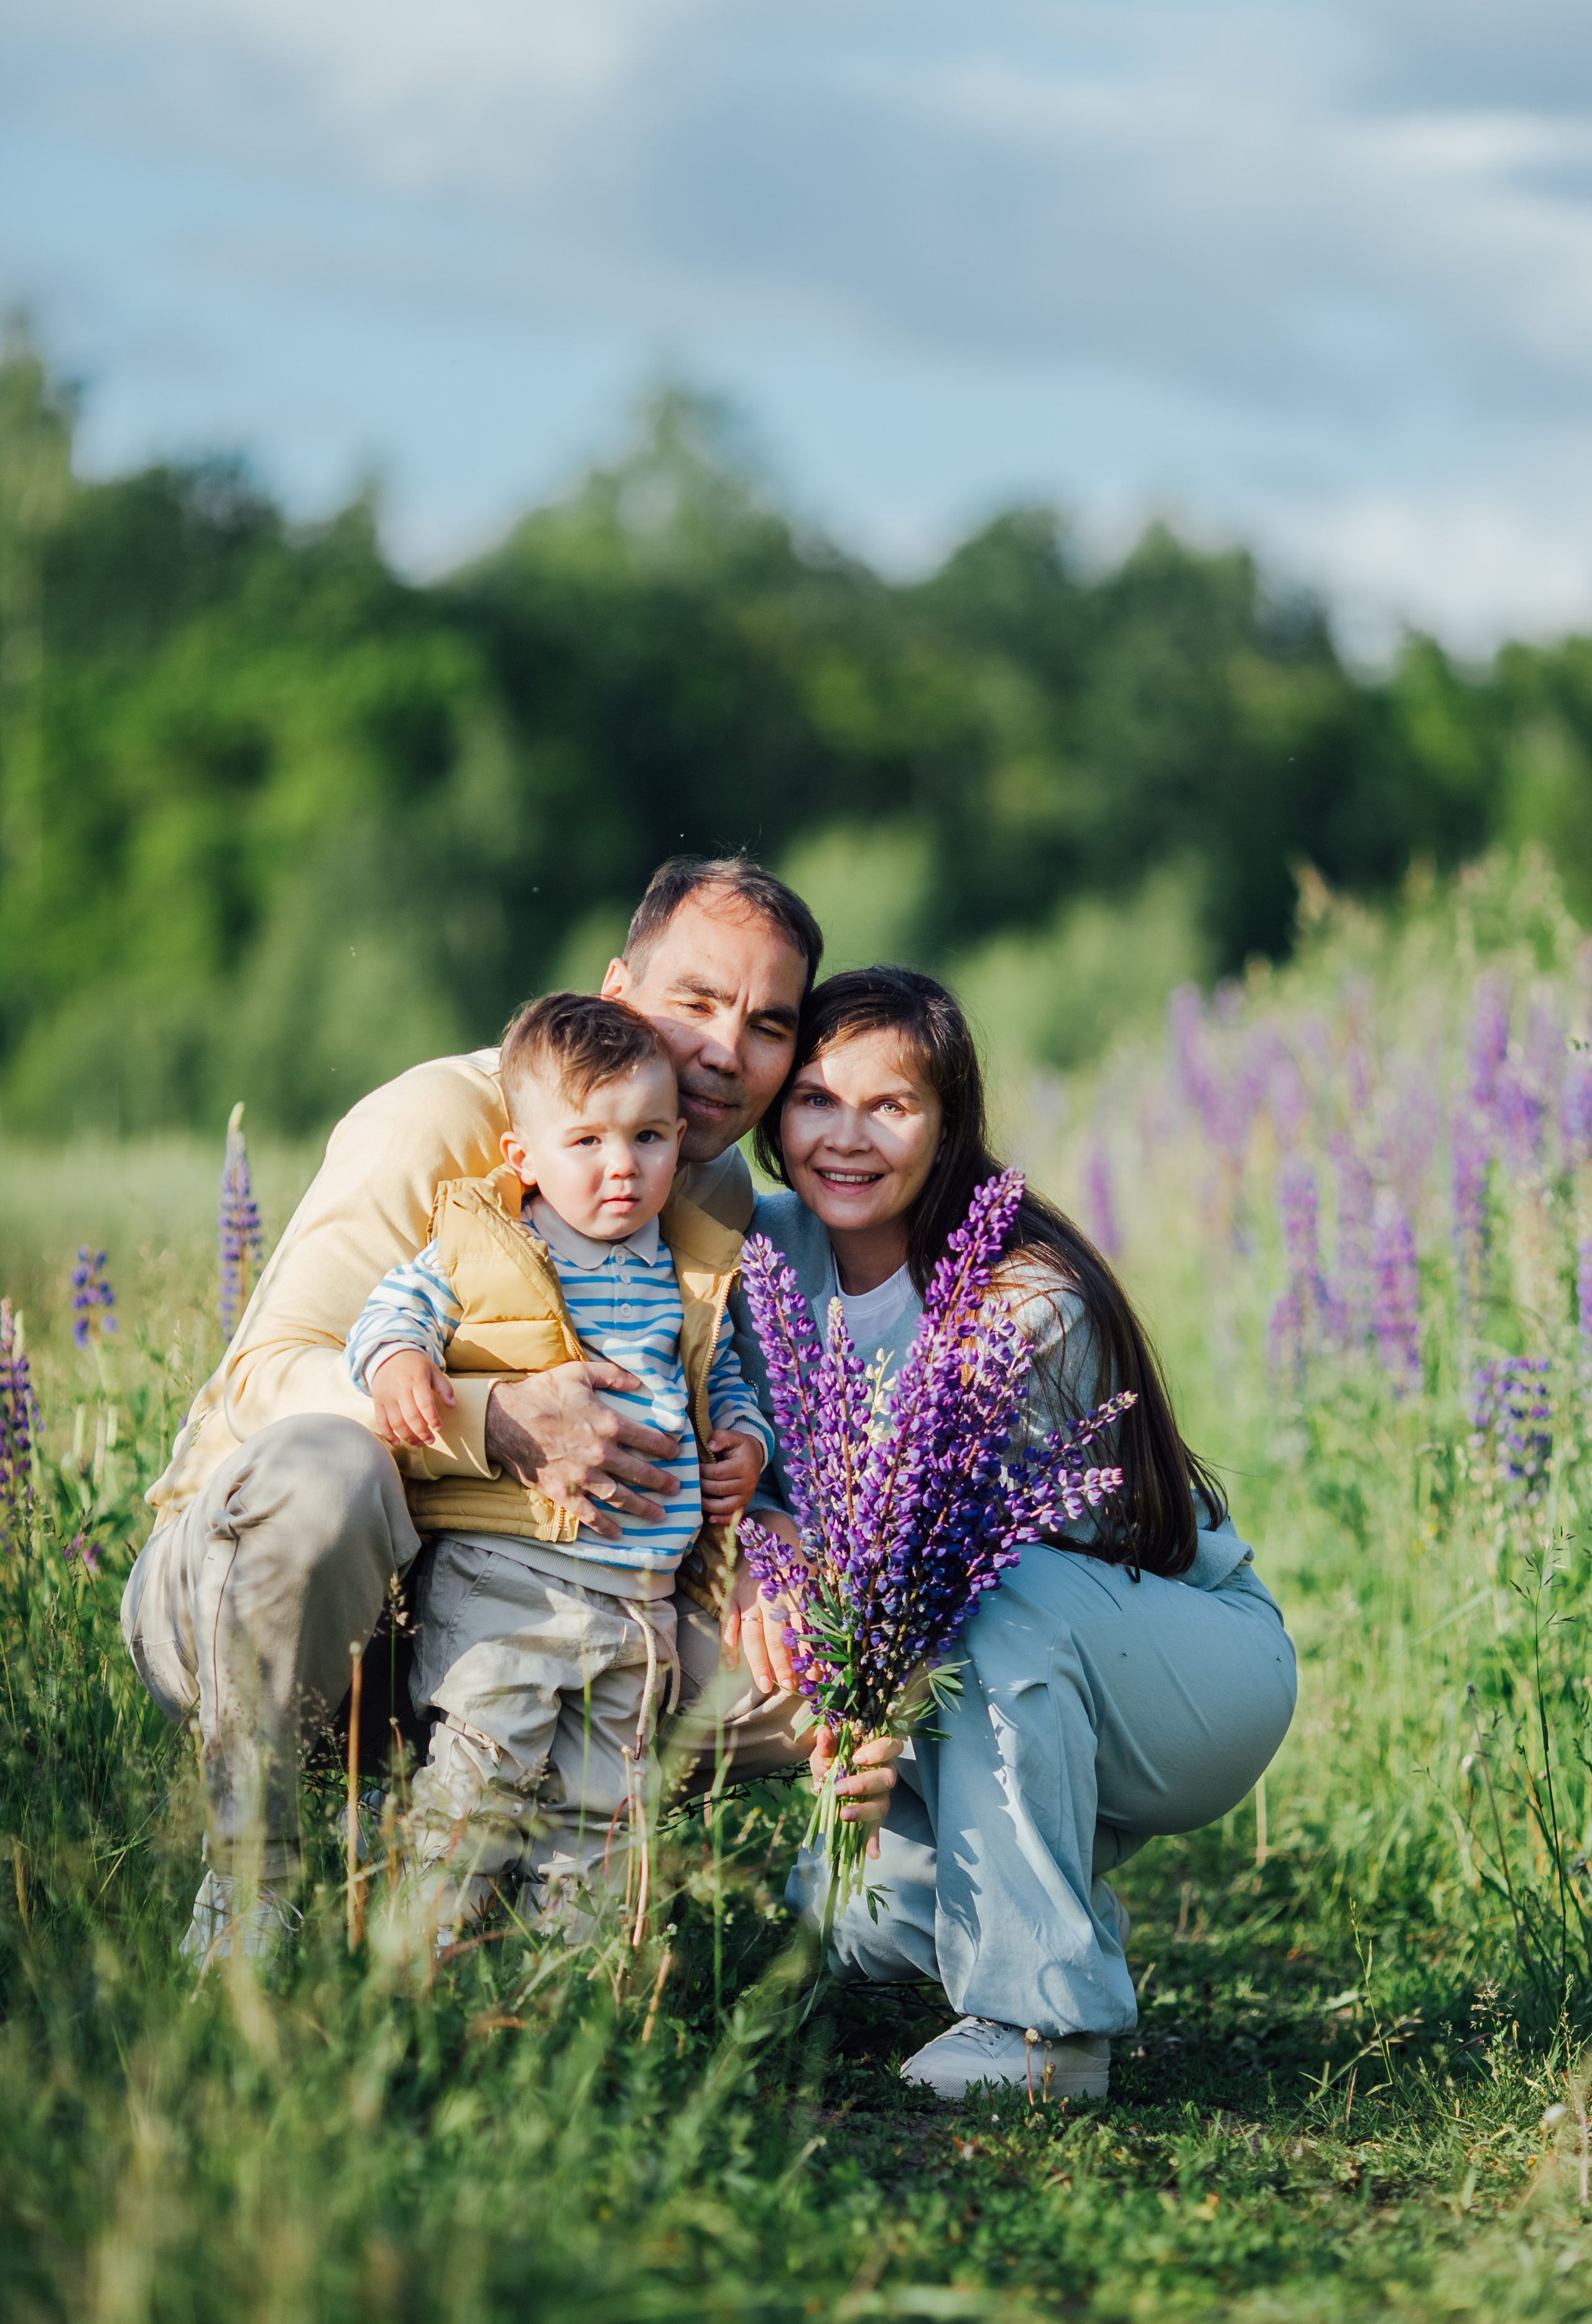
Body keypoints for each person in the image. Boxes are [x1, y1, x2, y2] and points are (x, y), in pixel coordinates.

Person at [121, 858, 896, 1963]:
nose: (727, 1050)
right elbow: (264, 1382)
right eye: (695, 1002)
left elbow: (696, 1404)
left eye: (769, 1025)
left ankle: (549, 1915)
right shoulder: (444, 1118)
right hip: (251, 1595)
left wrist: (761, 1530)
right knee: (326, 1470)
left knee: (845, 1655)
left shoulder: (713, 1189)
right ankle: (254, 1883)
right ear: (617, 991)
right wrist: (491, 1420)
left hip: (558, 1604)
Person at [729, 965, 1298, 2101]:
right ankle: (1036, 1916)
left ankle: (1047, 2031)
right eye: (816, 1100)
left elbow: (946, 1567)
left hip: (1180, 1664)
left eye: (891, 1106)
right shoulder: (761, 1252)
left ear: (949, 1127)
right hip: (971, 1657)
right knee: (852, 1933)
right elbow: (716, 1428)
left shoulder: (1023, 1296)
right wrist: (767, 1525)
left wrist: (870, 1718)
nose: (846, 1138)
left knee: (997, 1585)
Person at [345, 991, 772, 1940]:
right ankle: (417, 1957)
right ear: (524, 1157)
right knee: (480, 1782)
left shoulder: (686, 1267)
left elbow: (723, 1377)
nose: (623, 1166)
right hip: (512, 1581)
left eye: (649, 1138)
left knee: (603, 1813)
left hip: (638, 1601)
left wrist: (747, 1442)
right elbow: (393, 1310)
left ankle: (572, 1980)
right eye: (587, 1142)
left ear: (677, 1144)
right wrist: (402, 1363)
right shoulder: (492, 1243)